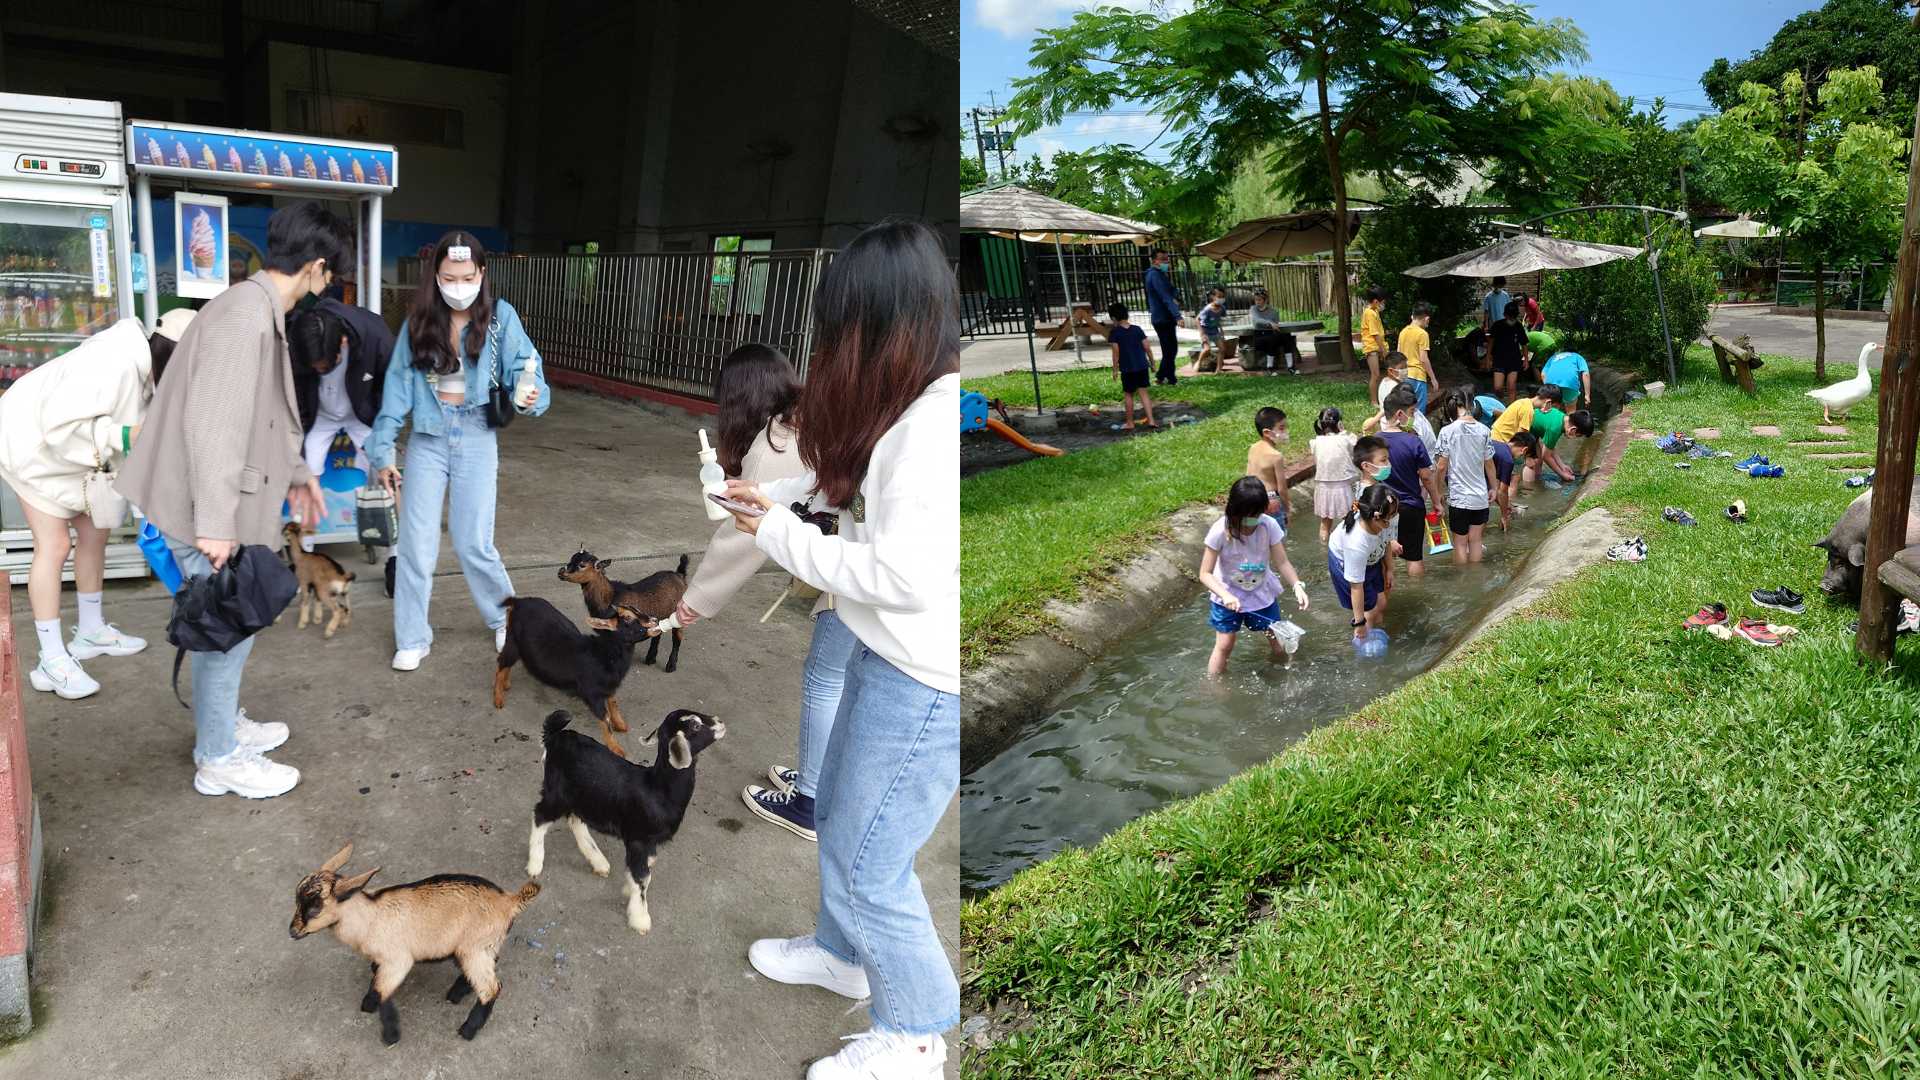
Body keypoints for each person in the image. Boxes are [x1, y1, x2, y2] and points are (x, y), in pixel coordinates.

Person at [723, 219, 959, 1076]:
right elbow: (848, 487)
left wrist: (779, 534)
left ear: (881, 324)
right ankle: (841, 955)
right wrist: (775, 495)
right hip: (878, 651)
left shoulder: (931, 428)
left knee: (873, 860)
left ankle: (918, 1033)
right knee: (842, 825)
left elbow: (903, 576)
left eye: (840, 328)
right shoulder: (903, 409)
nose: (829, 349)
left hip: (924, 674)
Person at [116, 201, 347, 798]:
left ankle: (223, 726)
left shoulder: (252, 308)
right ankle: (218, 755)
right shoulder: (244, 318)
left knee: (230, 622)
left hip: (215, 506)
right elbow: (213, 427)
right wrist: (215, 525)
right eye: (330, 274)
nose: (328, 284)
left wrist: (297, 470)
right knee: (224, 626)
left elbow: (263, 414)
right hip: (202, 511)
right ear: (318, 267)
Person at [668, 344, 835, 842]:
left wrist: (696, 599)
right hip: (852, 560)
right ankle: (819, 781)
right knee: (839, 678)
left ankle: (809, 800)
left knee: (827, 680)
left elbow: (744, 536)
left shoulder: (775, 444)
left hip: (853, 573)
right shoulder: (804, 423)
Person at [368, 230, 549, 672]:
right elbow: (395, 389)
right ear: (436, 276)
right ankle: (412, 636)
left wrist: (531, 395)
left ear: (481, 273)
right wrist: (383, 450)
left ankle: (505, 616)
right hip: (428, 441)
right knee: (416, 546)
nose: (458, 285)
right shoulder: (418, 323)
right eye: (449, 277)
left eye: (466, 276)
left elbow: (529, 372)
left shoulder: (501, 318)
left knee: (473, 542)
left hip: (475, 438)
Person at [0, 310, 193, 699]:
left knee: (95, 532)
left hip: (76, 454)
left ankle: (89, 632)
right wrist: (127, 434)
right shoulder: (112, 362)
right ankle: (50, 659)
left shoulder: (148, 370)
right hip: (29, 443)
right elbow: (60, 427)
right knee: (54, 545)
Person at [1199, 475, 1310, 676]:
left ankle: (1284, 673)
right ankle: (1214, 685)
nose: (1252, 522)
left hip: (1261, 593)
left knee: (1277, 639)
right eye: (1248, 516)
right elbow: (1205, 574)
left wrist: (1296, 585)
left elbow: (1282, 562)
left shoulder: (1268, 525)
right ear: (1234, 511)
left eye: (1257, 515)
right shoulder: (1219, 531)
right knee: (1224, 645)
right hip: (1227, 595)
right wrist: (1225, 595)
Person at [286, 296, 392, 483]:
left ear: (343, 342)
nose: (320, 371)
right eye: (315, 368)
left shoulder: (376, 335)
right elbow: (296, 390)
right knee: (305, 469)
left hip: (362, 414)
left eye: (325, 367)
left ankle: (393, 509)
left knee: (385, 464)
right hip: (320, 415)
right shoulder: (299, 337)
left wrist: (378, 420)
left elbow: (392, 386)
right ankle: (308, 510)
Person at [1374, 385, 1442, 578]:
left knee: (1383, 555)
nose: (1414, 416)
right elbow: (1426, 476)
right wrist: (1437, 502)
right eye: (1412, 412)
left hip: (1383, 508)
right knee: (1413, 557)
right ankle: (1418, 596)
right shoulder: (1413, 441)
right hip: (1411, 506)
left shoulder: (1375, 441)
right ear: (1400, 414)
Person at [1431, 389, 1499, 563]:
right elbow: (1489, 463)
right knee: (1476, 540)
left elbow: (1441, 467)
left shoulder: (1447, 432)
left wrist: (1437, 493)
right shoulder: (1484, 430)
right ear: (1470, 405)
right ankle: (1475, 577)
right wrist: (1494, 487)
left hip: (1460, 499)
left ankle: (1462, 580)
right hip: (1480, 497)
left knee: (1460, 543)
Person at [1329, 483, 1398, 642]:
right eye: (1391, 516)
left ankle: (1375, 625)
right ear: (1376, 517)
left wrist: (1389, 569)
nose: (1393, 520)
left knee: (1380, 602)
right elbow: (1356, 586)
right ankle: (1362, 640)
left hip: (1370, 558)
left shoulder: (1384, 520)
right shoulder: (1357, 542)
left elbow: (1386, 542)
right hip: (1344, 561)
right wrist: (1359, 623)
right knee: (1370, 610)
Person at [1490, 387, 1592, 485]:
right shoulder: (1555, 428)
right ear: (1573, 430)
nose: (1575, 438)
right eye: (1578, 436)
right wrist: (1562, 475)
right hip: (1523, 436)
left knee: (1537, 461)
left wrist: (1562, 466)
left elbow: (1550, 447)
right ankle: (1528, 490)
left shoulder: (1562, 418)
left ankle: (1535, 482)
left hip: (1531, 434)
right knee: (1533, 463)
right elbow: (1546, 456)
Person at [1309, 406, 1359, 542]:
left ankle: (1325, 546)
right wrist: (1344, 431)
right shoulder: (1346, 439)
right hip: (1342, 487)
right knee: (1351, 521)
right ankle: (1349, 547)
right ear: (1339, 423)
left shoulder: (1315, 442)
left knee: (1325, 524)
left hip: (1322, 487)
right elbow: (1355, 444)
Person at [1107, 302, 1156, 429]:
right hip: (1142, 366)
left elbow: (1116, 354)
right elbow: (1147, 348)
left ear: (1113, 318)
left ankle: (1130, 423)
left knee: (1128, 394)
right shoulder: (1137, 329)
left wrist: (1115, 370)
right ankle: (1151, 420)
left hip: (1127, 369)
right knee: (1144, 393)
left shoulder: (1114, 333)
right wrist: (1153, 364)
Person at [1246, 407, 1289, 530]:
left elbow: (1248, 475)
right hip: (1271, 501)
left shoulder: (1252, 448)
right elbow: (1282, 489)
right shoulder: (1276, 456)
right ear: (1267, 433)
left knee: (1255, 535)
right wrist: (1287, 510)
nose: (1286, 432)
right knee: (1276, 538)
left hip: (1252, 500)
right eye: (1281, 428)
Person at [1144, 248, 1182, 385]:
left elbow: (1170, 292)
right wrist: (1178, 316)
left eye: (1167, 258)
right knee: (1170, 350)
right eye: (1163, 259)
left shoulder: (1160, 274)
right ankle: (1167, 378)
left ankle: (1164, 376)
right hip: (1162, 318)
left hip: (1165, 317)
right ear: (1155, 261)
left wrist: (1175, 295)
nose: (1167, 261)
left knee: (1170, 349)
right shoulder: (1154, 275)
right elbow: (1165, 297)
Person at [1248, 287, 1299, 374]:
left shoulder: (1273, 311)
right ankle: (1269, 368)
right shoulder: (1253, 309)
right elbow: (1256, 322)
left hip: (1271, 335)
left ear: (1265, 300)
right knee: (1273, 338)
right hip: (1260, 336)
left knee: (1287, 336)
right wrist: (1269, 323)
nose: (1257, 302)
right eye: (1256, 300)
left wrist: (1270, 324)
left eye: (1259, 300)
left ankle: (1290, 367)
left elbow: (1276, 324)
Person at [1493, 429, 1539, 523]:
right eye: (1525, 456)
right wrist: (1504, 516)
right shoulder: (1507, 460)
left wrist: (1508, 505)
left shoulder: (1496, 445)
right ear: (1524, 450)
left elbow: (1494, 489)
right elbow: (1502, 492)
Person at [1396, 302, 1435, 414]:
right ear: (1426, 318)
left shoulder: (1403, 332)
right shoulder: (1422, 334)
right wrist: (1433, 378)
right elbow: (1423, 359)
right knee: (1418, 413)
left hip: (1404, 375)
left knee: (1405, 411)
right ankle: (1417, 432)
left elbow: (1398, 354)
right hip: (1417, 377)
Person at [1489, 300, 1529, 404]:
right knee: (1497, 388)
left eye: (1514, 317)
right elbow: (1491, 342)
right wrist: (1488, 358)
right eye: (1509, 316)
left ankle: (1512, 411)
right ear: (1504, 315)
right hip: (1499, 359)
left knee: (1511, 387)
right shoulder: (1497, 325)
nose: (1512, 319)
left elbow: (1524, 344)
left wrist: (1526, 360)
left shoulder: (1518, 326)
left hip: (1514, 359)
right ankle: (1501, 401)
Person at [1359, 287, 1388, 401]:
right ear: (1376, 301)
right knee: (1375, 375)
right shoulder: (1370, 313)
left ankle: (1379, 398)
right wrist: (1383, 350)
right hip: (1372, 348)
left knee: (1378, 375)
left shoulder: (1374, 311)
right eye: (1383, 302)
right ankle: (1374, 401)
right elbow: (1375, 334)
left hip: (1376, 347)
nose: (1383, 304)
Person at [1196, 287, 1226, 372]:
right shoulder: (1207, 310)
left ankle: (1218, 369)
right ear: (1213, 297)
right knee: (1207, 349)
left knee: (1222, 349)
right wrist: (1202, 334)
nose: (1221, 299)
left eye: (1223, 296)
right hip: (1206, 332)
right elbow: (1197, 319)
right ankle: (1198, 362)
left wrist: (1221, 330)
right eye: (1219, 296)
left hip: (1215, 332)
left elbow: (1218, 319)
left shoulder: (1222, 308)